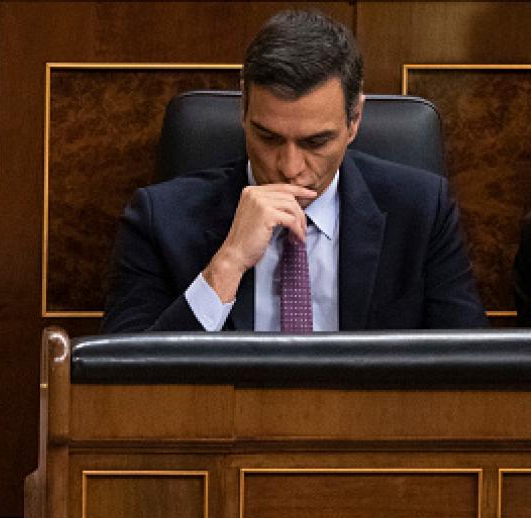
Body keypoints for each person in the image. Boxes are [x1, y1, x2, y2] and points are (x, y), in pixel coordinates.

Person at [102, 9, 487, 333]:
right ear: (243, 112)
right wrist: (227, 263)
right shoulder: (160, 218)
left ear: (354, 121)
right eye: (268, 138)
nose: (289, 167)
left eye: (315, 143)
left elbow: (470, 372)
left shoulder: (421, 212)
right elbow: (122, 382)